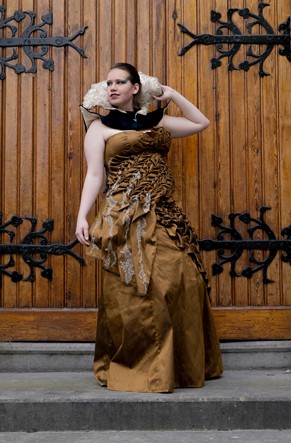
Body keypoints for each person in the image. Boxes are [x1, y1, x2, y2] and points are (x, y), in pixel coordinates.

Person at [75, 62, 223, 393]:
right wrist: (82, 216)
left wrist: (173, 95)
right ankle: (143, 368)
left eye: (120, 82)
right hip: (124, 217)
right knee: (138, 291)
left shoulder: (156, 121)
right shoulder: (98, 128)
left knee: (185, 279)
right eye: (109, 83)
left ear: (135, 87)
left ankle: (182, 368)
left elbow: (201, 123)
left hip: (164, 215)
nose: (112, 87)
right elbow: (94, 175)